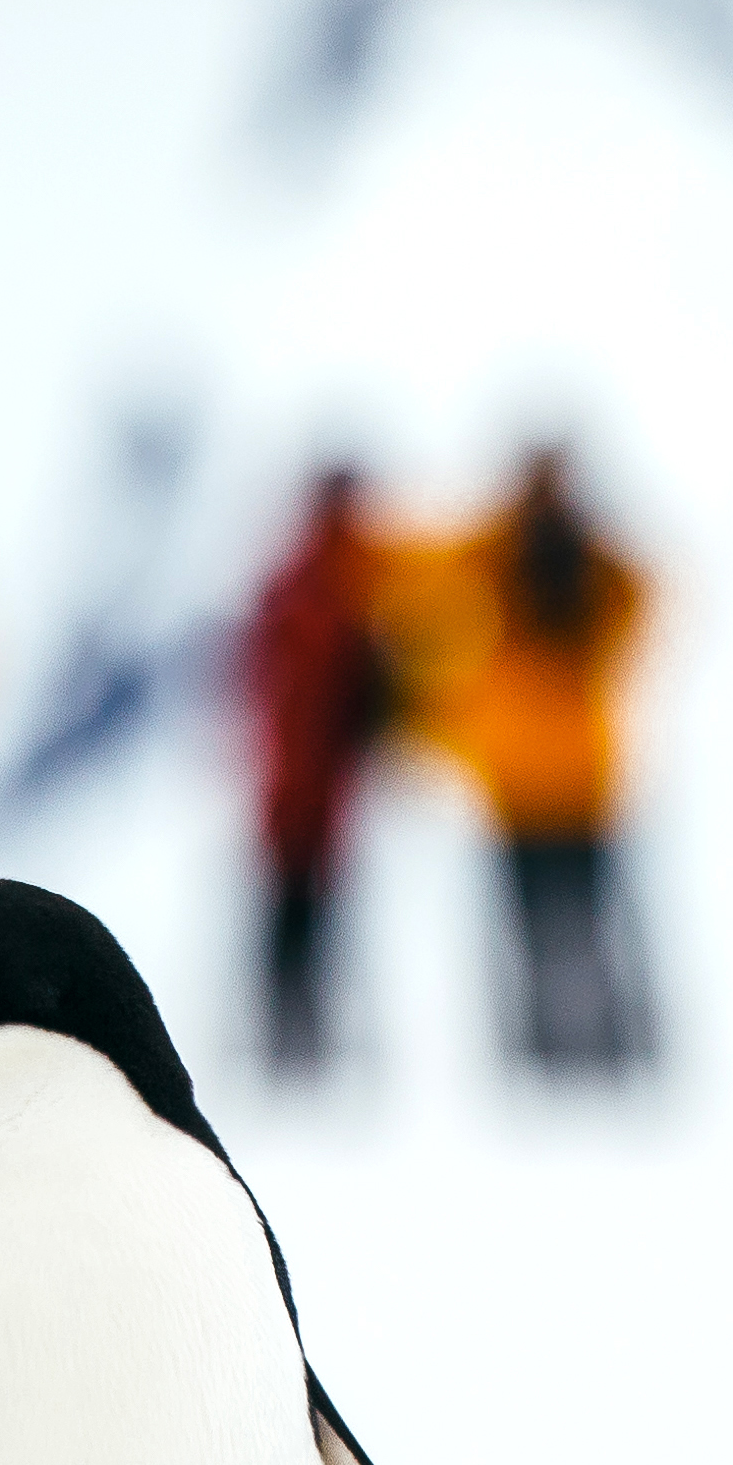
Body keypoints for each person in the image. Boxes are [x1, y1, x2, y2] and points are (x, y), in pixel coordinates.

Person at [399, 446, 653, 1080]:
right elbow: (641, 606)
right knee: (582, 929)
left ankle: (552, 1055)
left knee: (545, 931)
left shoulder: (512, 557)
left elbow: (423, 587)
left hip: (534, 779)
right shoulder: (566, 561)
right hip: (569, 778)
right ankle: (596, 1054)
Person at [233, 464, 399, 1079]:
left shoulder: (314, 578)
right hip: (307, 776)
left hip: (309, 775)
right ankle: (294, 1029)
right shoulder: (328, 583)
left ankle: (297, 1027)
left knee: (299, 901)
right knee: (299, 900)